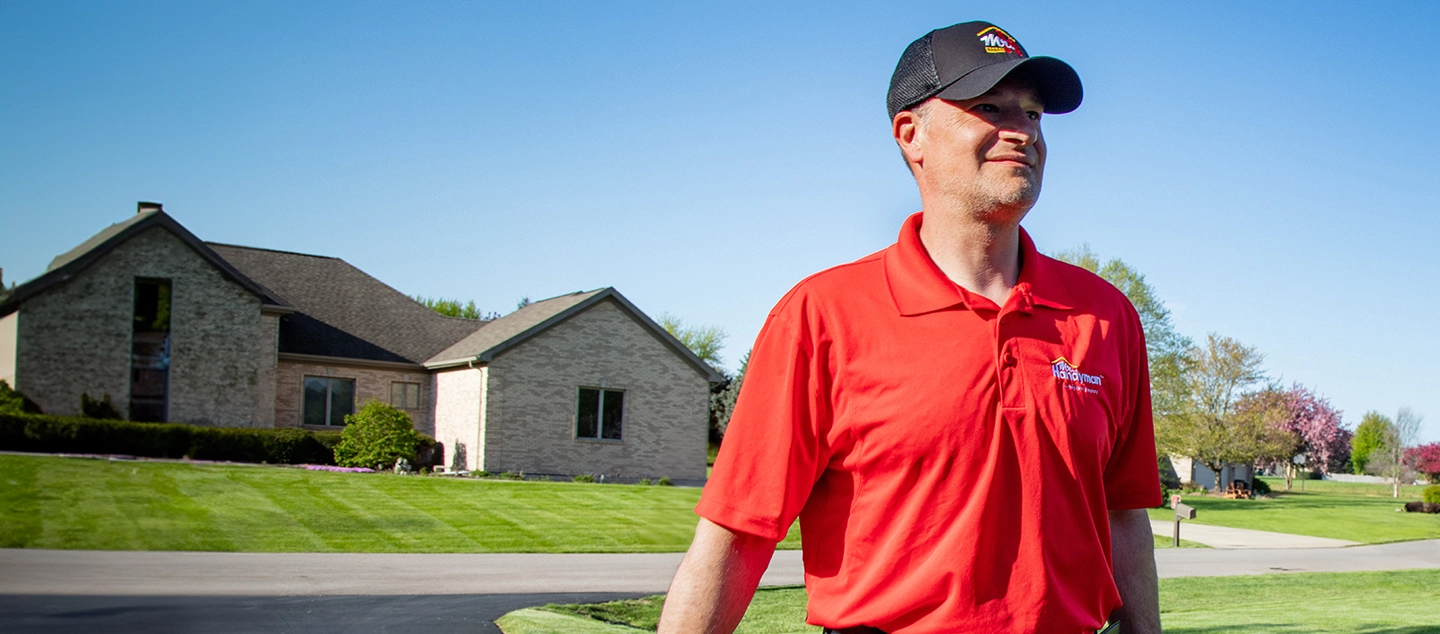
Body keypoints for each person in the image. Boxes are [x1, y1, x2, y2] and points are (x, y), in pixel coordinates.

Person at [657, 21, 1162, 634]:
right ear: (910, 133)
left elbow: (1123, 517)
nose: (1023, 130)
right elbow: (736, 536)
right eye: (988, 107)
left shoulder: (1105, 317)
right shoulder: (822, 315)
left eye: (1033, 113)